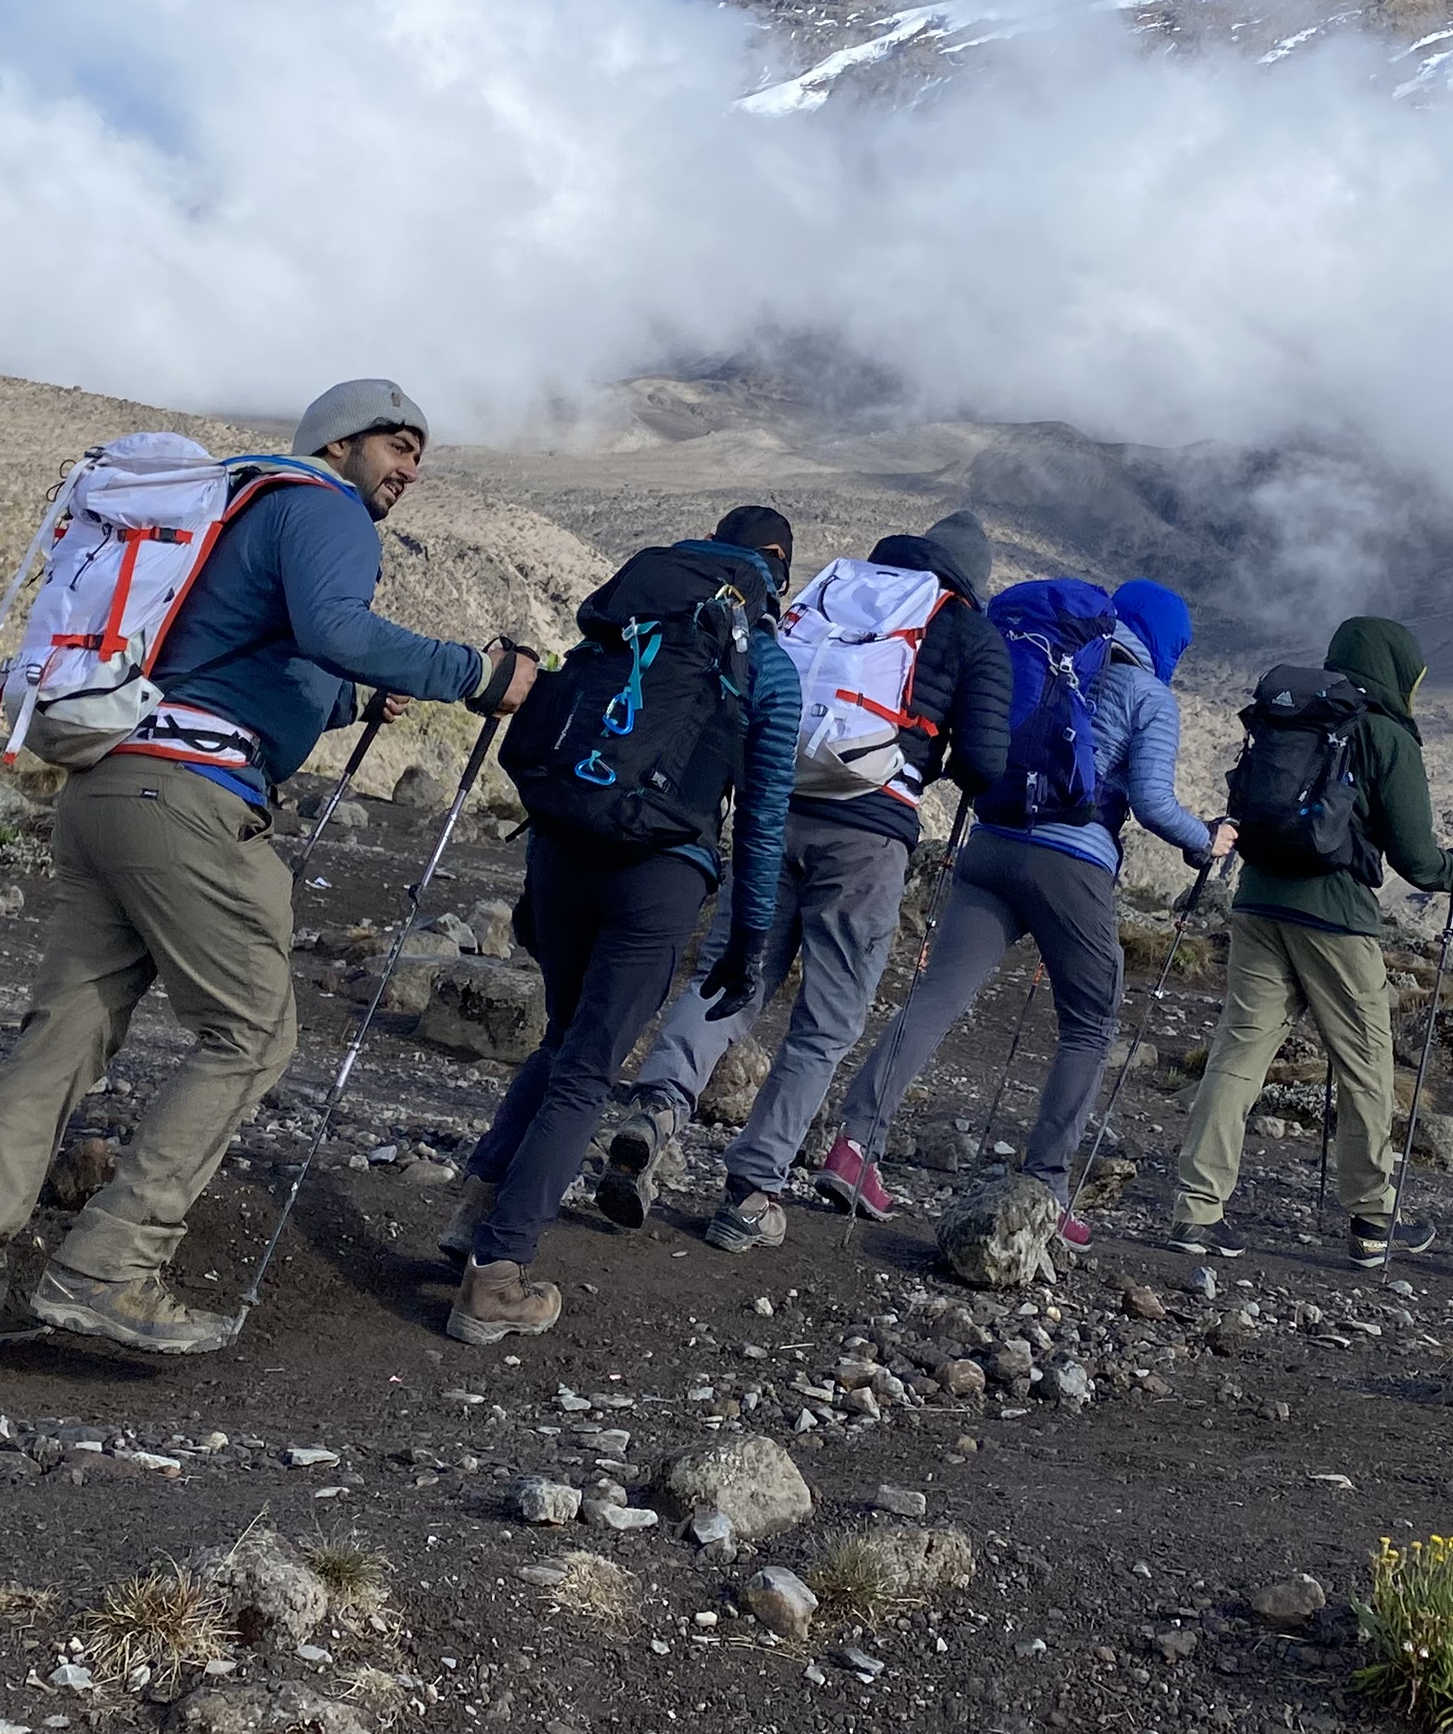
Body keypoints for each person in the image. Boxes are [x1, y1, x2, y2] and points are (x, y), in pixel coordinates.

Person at [0, 380, 535, 1364]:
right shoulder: (324, 508)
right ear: (340, 442)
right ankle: (109, 1266)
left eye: (419, 452)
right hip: (189, 802)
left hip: (109, 786)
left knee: (57, 1048)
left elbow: (248, 666)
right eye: (396, 444)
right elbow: (333, 630)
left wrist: (354, 709)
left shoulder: (235, 517)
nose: (409, 467)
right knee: (250, 1033)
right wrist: (476, 674)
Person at [584, 511, 1012, 1252]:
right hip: (868, 834)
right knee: (826, 1020)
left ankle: (654, 1110)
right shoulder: (967, 629)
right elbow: (986, 762)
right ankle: (751, 1188)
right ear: (973, 574)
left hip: (772, 806)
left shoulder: (839, 589)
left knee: (731, 974)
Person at [445, 509, 801, 1343]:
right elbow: (761, 818)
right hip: (660, 875)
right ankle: (495, 1278)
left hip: (562, 849)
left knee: (560, 1039)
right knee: (588, 1069)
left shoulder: (632, 614)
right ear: (777, 565)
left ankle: (476, 1211)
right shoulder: (768, 666)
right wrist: (749, 940)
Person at [817, 577, 1227, 1245]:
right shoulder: (1148, 693)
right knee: (1092, 1023)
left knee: (936, 998)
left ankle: (855, 1146)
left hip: (992, 845)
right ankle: (1046, 1187)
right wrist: (1206, 839)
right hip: (1072, 864)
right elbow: (1152, 802)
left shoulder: (1043, 656)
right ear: (1167, 639)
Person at [1166, 615, 1453, 1268]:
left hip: (1257, 902)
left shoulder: (1294, 718)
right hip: (1335, 919)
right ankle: (1372, 1223)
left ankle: (1196, 1213)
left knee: (1237, 1056)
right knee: (1366, 1065)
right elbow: (1418, 859)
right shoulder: (1386, 736)